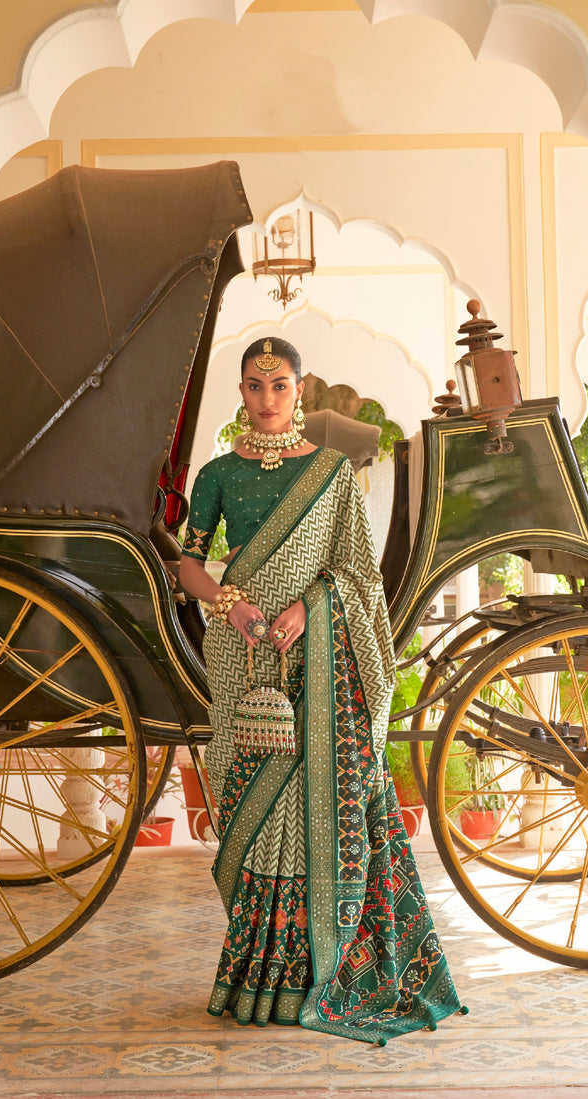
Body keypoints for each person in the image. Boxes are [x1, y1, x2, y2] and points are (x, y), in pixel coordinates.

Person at [179, 336, 464, 1045]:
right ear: (241, 392)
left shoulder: (333, 474)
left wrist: (313, 604)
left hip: (321, 658)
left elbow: (358, 572)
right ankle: (257, 976)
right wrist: (232, 605)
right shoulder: (216, 474)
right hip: (245, 661)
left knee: (319, 808)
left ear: (300, 391)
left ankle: (323, 972)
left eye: (280, 386)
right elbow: (188, 565)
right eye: (255, 386)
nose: (268, 400)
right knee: (253, 805)